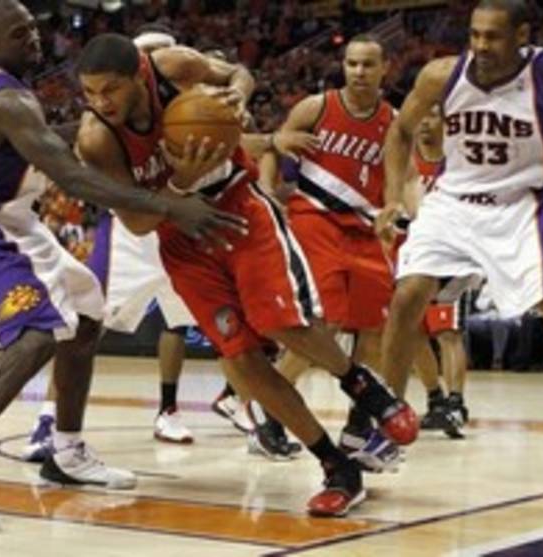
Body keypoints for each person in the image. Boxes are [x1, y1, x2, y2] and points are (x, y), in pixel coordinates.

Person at [0, 0, 246, 533]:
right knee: (37, 335)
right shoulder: (7, 99)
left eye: (33, 28)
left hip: (13, 220)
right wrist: (172, 204)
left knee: (86, 316)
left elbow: (37, 138)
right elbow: (73, 177)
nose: (34, 38)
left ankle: (66, 450)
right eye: (19, 34)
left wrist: (103, 122)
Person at [74, 33, 417, 517]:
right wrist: (181, 182)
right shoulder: (96, 138)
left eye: (110, 89)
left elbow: (239, 73)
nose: (100, 102)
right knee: (242, 360)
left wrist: (236, 95)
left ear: (138, 75)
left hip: (239, 206)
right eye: (89, 92)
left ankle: (362, 386)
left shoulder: (172, 65)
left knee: (282, 324)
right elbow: (136, 221)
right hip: (181, 238)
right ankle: (338, 467)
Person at [376, 0, 543, 403]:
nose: (481, 45)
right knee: (407, 296)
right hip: (454, 203)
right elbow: (401, 131)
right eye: (474, 35)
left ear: (521, 36)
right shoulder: (442, 75)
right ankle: (384, 413)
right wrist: (391, 199)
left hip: (523, 207)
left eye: (492, 36)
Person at [261, 35, 453, 462]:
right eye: (352, 64)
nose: (359, 72)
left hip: (366, 226)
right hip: (315, 218)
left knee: (374, 328)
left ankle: (358, 424)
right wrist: (268, 190)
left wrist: (414, 216)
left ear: (385, 69)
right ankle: (271, 416)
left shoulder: (395, 121)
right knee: (323, 324)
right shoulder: (317, 107)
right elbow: (273, 146)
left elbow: (407, 178)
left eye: (367, 64)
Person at [24, 27, 201, 462]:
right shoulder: (104, 123)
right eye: (148, 55)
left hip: (178, 222)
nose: (155, 64)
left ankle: (178, 409)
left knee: (183, 323)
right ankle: (48, 418)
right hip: (130, 230)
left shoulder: (186, 106)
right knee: (86, 321)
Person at [405, 105, 471, 427]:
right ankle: (436, 399)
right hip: (413, 254)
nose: (424, 123)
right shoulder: (405, 162)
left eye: (432, 116)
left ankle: (457, 403)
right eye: (420, 117)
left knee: (448, 331)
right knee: (412, 330)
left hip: (453, 256)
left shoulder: (460, 162)